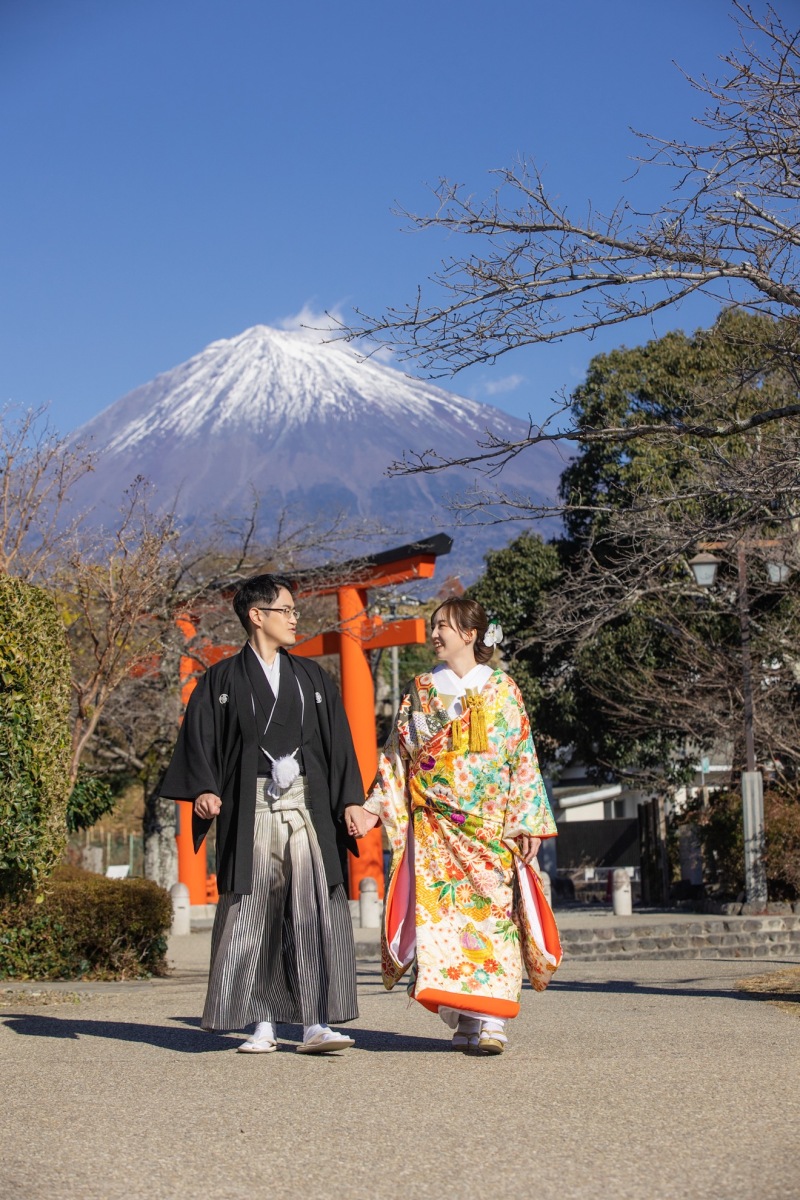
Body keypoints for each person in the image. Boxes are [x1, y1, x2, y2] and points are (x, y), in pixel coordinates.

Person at [161, 573, 367, 1055]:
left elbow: (339, 744)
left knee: (312, 907)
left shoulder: (313, 678)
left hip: (306, 807)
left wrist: (351, 800)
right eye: (287, 611)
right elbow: (200, 743)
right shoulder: (221, 680)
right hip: (250, 807)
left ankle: (316, 1021)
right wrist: (206, 789)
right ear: (257, 616)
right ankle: (261, 1022)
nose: (296, 619)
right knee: (254, 911)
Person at [357, 596, 561, 1055]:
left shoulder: (503, 688)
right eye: (434, 626)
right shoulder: (421, 688)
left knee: (493, 921)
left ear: (470, 634)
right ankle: (464, 1017)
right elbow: (395, 755)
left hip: (488, 827)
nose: (434, 634)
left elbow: (521, 759)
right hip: (434, 830)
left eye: (442, 626)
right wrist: (374, 805)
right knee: (443, 924)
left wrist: (526, 822)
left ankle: (492, 1020)